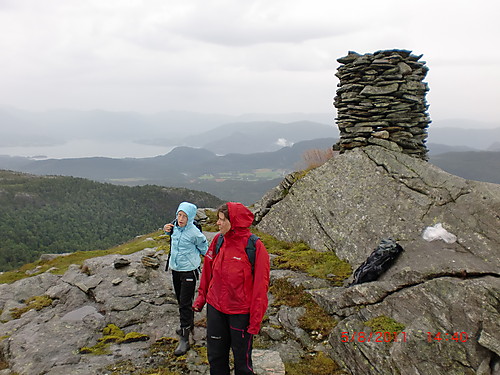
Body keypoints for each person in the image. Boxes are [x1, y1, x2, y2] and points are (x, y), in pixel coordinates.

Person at [193, 202, 270, 375]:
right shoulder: (218, 240)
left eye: (221, 220)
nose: (218, 223)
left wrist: (255, 321)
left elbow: (260, 287)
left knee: (242, 363)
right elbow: (207, 270)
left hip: (240, 314)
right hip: (215, 308)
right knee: (216, 358)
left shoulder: (255, 247)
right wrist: (201, 297)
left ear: (233, 222)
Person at [164, 201, 208, 356]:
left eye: (184, 216)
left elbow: (205, 249)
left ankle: (184, 338)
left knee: (184, 303)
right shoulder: (174, 226)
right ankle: (188, 324)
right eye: (179, 214)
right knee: (180, 300)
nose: (181, 218)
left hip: (189, 271)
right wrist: (167, 230)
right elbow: (173, 237)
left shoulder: (195, 233)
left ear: (190, 218)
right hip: (176, 269)